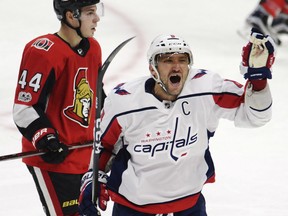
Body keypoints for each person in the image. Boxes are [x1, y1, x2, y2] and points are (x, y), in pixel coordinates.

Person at [78, 29, 275, 216]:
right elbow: (104, 146)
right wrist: (92, 179)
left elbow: (256, 115)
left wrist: (258, 80)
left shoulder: (207, 89)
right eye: (167, 60)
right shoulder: (124, 101)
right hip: (134, 208)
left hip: (189, 205)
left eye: (183, 60)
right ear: (152, 69)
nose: (176, 66)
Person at [12, 0, 104, 215]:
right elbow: (24, 108)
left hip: (85, 155)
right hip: (53, 160)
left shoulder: (93, 48)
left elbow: (97, 97)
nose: (97, 18)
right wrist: (47, 139)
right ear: (72, 16)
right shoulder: (42, 51)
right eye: (90, 12)